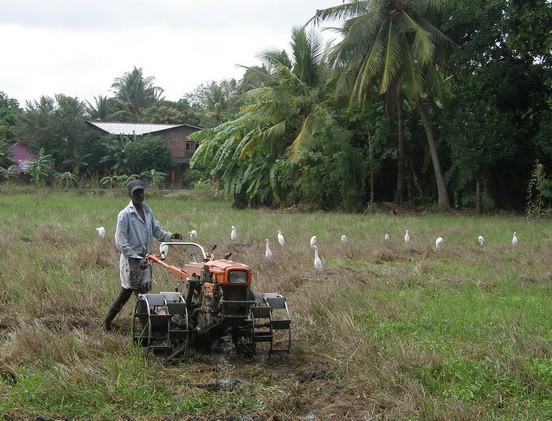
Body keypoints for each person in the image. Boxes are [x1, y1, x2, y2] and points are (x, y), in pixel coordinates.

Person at [104, 180, 182, 331]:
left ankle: (109, 322)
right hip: (132, 262)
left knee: (134, 294)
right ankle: (147, 329)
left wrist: (171, 236)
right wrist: (137, 258)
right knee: (138, 295)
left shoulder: (147, 211)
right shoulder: (125, 215)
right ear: (130, 195)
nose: (140, 195)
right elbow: (120, 243)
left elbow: (157, 230)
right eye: (136, 193)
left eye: (141, 192)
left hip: (145, 261)